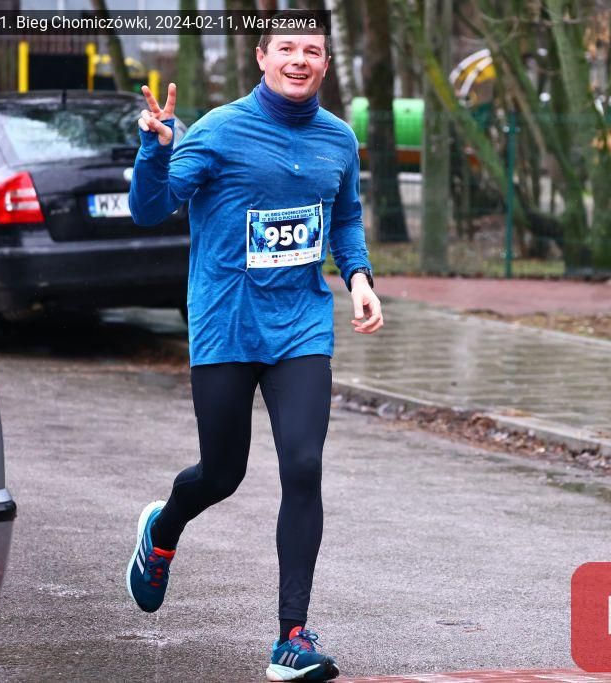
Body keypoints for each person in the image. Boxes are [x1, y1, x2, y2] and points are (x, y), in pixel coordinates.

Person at [126, 10, 381, 681]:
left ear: (326, 63)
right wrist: (156, 147)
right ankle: (163, 529)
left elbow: (345, 218)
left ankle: (291, 637)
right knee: (222, 474)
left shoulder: (338, 139)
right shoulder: (218, 131)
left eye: (313, 50)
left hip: (301, 325)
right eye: (287, 48)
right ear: (262, 56)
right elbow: (150, 208)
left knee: (304, 465)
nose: (300, 60)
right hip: (227, 324)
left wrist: (358, 278)